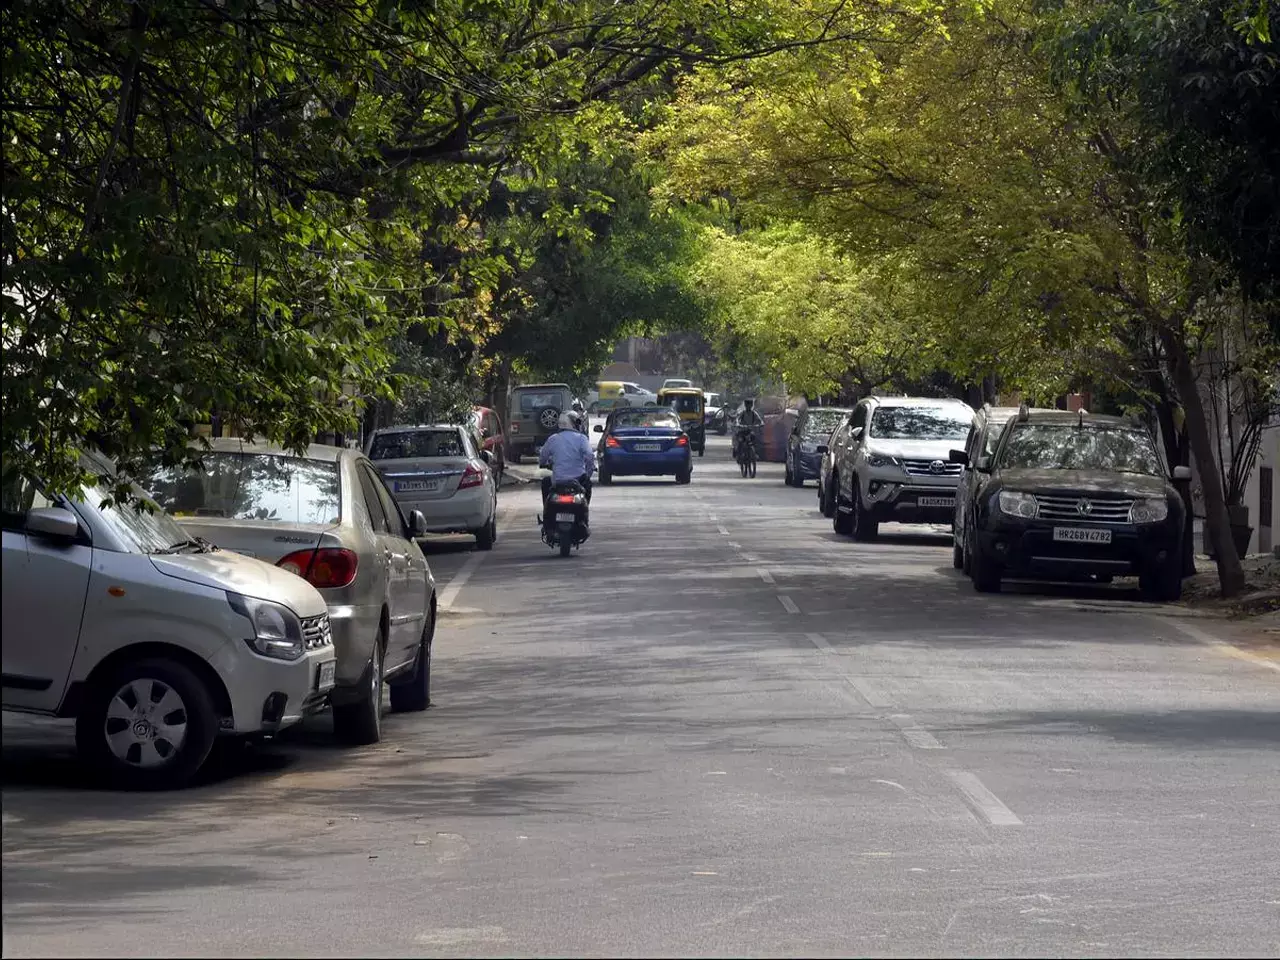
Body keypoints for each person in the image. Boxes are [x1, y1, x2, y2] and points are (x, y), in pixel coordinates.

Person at [539, 411, 597, 521]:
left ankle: (546, 515)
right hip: (578, 481)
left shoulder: (553, 439)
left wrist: (543, 463)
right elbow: (589, 456)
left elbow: (543, 456)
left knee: (545, 482)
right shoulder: (581, 439)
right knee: (588, 484)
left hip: (557, 482)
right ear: (573, 424)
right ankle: (584, 516)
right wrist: (588, 473)